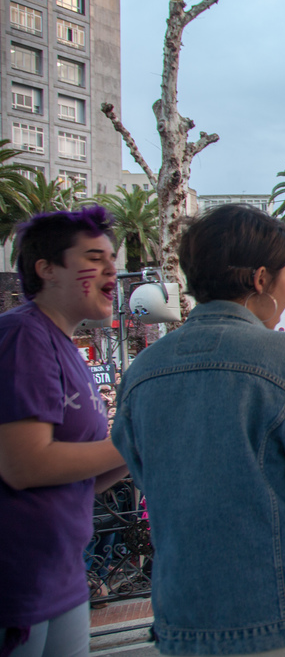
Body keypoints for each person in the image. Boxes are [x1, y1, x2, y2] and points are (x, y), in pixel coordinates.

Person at [111, 205, 285, 656]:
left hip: (184, 622)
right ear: (260, 280)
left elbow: (145, 473)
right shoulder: (283, 355)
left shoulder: (142, 370)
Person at [0, 207, 128, 657]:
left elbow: (81, 479)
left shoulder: (68, 348)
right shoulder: (23, 336)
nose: (112, 268)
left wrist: (139, 450)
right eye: (94, 257)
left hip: (63, 574)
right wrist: (123, 444)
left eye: (112, 257)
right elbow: (24, 465)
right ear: (46, 269)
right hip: (18, 581)